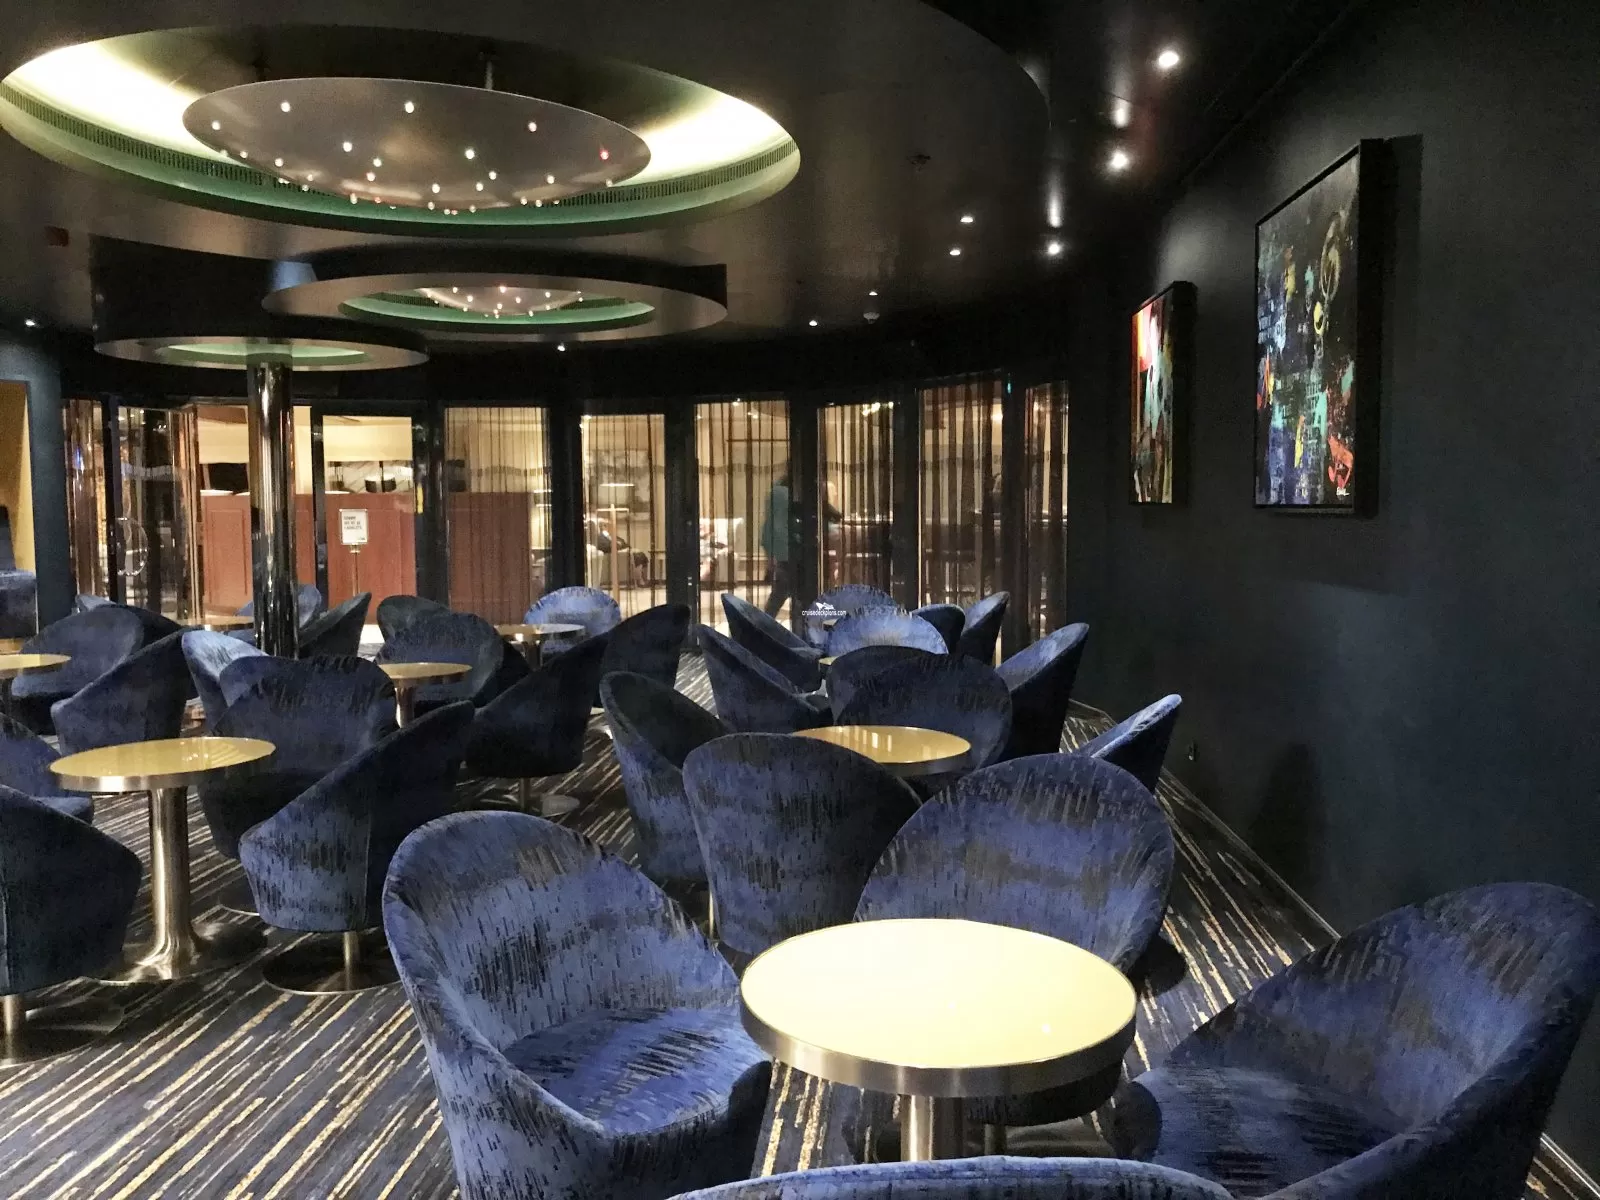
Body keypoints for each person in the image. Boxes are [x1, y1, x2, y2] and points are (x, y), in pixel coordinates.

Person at [760, 474, 792, 616]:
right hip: (790, 546)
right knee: (782, 590)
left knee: (779, 592)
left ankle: (764, 621)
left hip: (780, 546)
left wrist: (770, 554)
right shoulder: (790, 494)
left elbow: (769, 527)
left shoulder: (775, 492)